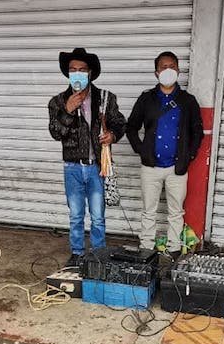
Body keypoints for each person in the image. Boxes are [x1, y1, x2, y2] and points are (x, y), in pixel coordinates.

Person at [48, 48, 126, 267]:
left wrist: (113, 135)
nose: (78, 73)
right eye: (73, 70)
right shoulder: (57, 102)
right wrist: (68, 111)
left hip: (97, 167)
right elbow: (56, 133)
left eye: (82, 69)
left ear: (90, 72)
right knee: (75, 215)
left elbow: (120, 123)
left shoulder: (105, 98)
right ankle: (77, 253)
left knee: (98, 216)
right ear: (68, 73)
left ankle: (99, 253)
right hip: (72, 167)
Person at [125, 51, 203, 258]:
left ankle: (174, 250)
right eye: (163, 67)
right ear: (156, 72)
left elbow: (198, 131)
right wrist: (141, 150)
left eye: (172, 66)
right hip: (150, 167)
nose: (168, 70)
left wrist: (189, 156)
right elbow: (131, 127)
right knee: (148, 211)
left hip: (177, 168)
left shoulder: (188, 101)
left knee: (176, 212)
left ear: (178, 70)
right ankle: (146, 249)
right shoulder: (146, 99)